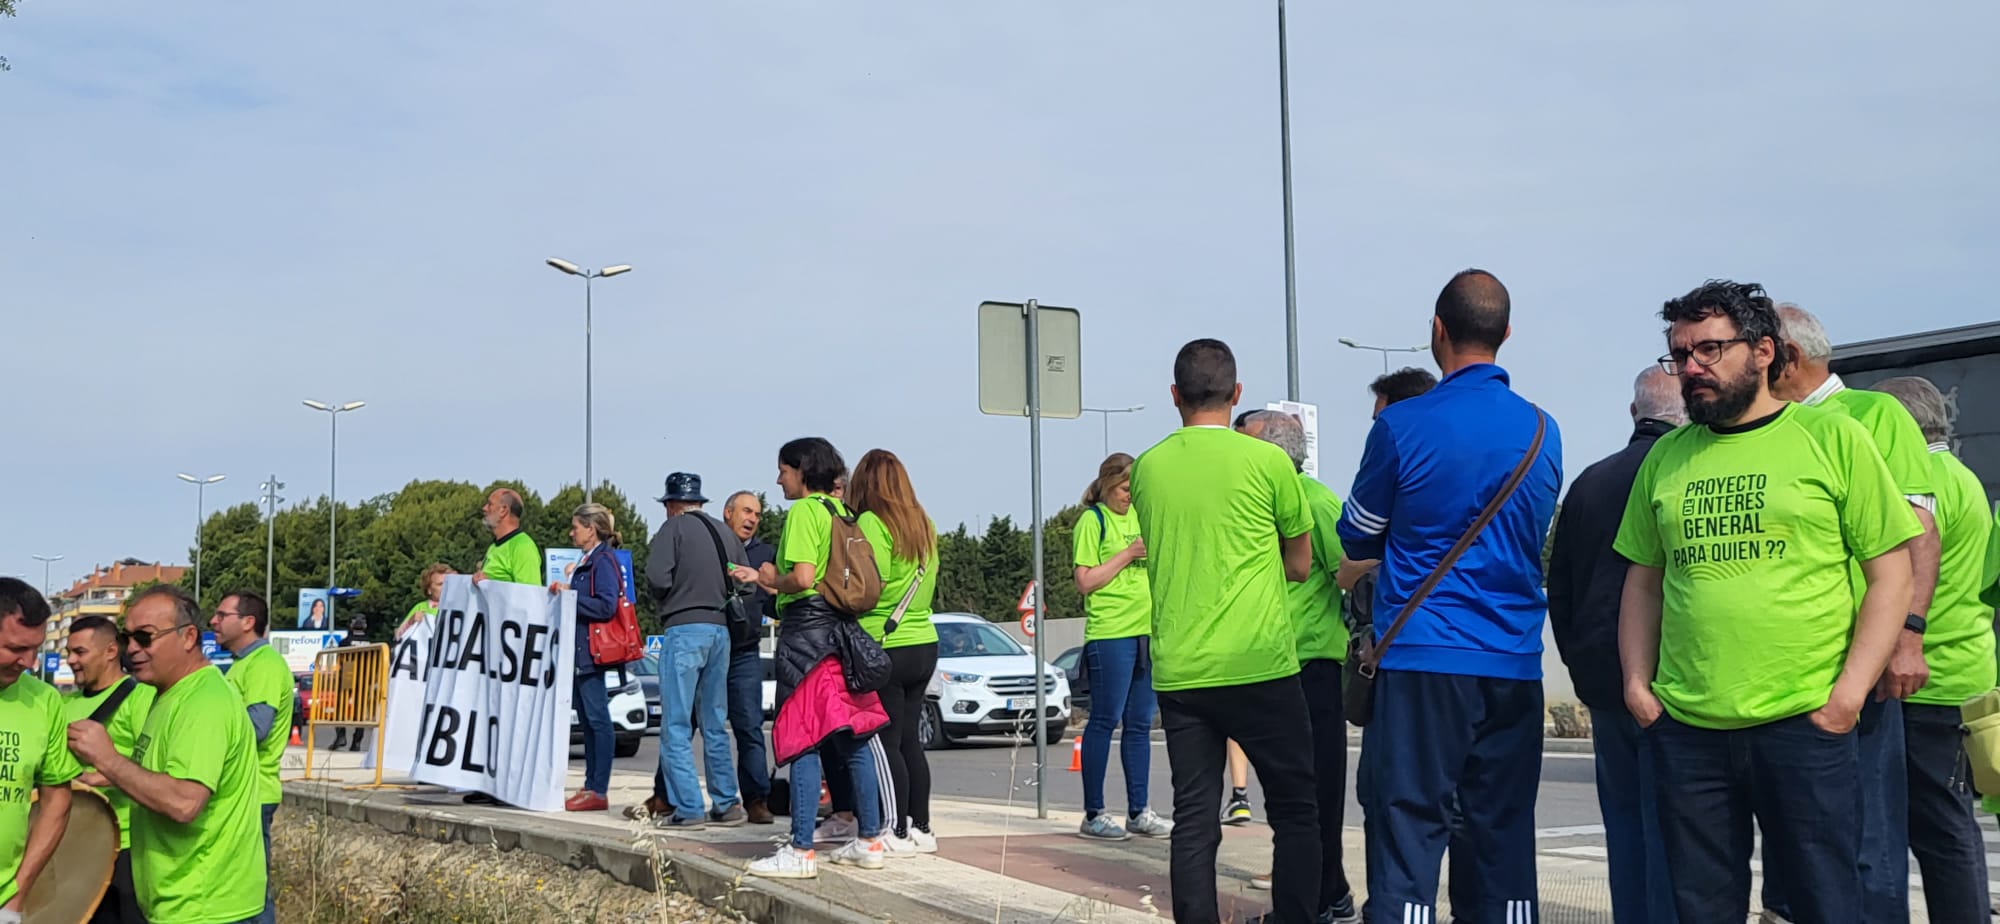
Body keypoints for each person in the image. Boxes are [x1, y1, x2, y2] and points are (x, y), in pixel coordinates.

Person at [1614, 280, 1919, 924]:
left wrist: (1848, 697)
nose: (1692, 367)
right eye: (1680, 354)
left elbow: (1891, 572)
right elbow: (1643, 579)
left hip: (1805, 722)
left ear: (1761, 352)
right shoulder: (1666, 459)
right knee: (1700, 907)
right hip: (1689, 728)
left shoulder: (1832, 440)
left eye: (1709, 350)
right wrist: (1639, 687)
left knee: (1825, 902)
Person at [1336, 269, 1562, 924]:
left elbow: (1357, 532)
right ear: (1506, 334)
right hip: (1514, 660)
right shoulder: (1545, 433)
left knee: (1410, 829)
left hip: (1423, 657)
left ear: (1437, 331)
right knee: (1501, 832)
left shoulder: (1402, 426)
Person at [1761, 304, 1942, 924]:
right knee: (1798, 847)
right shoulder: (1764, 427)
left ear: (1786, 354)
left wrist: (1907, 636)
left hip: (1853, 670)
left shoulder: (1873, 414)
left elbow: (1918, 530)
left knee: (1867, 842)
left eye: (1757, 346)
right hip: (1784, 678)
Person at [1130, 339, 1318, 924]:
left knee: (1193, 817)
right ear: (1236, 394)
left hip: (1182, 671)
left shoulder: (1147, 468)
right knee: (1294, 810)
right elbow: (1300, 564)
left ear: (1173, 396)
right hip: (1261, 664)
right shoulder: (1266, 463)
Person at [1546, 367, 1684, 924]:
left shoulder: (1591, 482)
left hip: (1605, 680)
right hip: (1674, 680)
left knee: (1625, 827)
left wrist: (1581, 664)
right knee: (1678, 830)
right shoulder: (1684, 473)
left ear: (1634, 413)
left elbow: (1562, 586)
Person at [67, 584, 266, 924]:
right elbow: (159, 774)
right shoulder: (166, 694)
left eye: (145, 638)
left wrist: (108, 759)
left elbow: (184, 802)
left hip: (206, 907)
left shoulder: (204, 702)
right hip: (176, 901)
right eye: (128, 638)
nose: (133, 649)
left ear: (189, 637)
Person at [1874, 375, 1996, 920]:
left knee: (1937, 832)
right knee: (1951, 823)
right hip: (1964, 668)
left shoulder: (1919, 485)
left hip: (1922, 680)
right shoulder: (1966, 480)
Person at [748, 437, 891, 879]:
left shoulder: (805, 512)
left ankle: (801, 849)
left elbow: (804, 577)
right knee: (853, 739)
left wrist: (770, 578)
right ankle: (869, 839)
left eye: (784, 471)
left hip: (806, 637)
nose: (778, 479)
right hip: (841, 633)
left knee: (803, 738)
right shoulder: (844, 513)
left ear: (802, 470)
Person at [1246, 410, 1360, 922]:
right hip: (1266, 664)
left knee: (1316, 791)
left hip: (1311, 664)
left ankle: (1324, 898)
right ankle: (1325, 891)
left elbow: (1351, 570)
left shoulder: (1316, 501)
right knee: (1291, 796)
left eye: (1243, 442)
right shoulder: (1253, 505)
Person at [846, 449, 946, 854]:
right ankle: (922, 827)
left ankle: (895, 829)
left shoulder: (872, 522)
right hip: (924, 638)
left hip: (885, 640)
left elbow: (873, 585)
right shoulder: (925, 523)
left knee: (886, 743)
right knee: (911, 740)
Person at [1070, 452, 1171, 842]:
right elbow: (1085, 581)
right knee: (1104, 719)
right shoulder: (1092, 521)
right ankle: (1094, 813)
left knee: (1141, 723)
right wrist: (1127, 554)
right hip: (1111, 632)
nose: (1130, 496)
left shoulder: (1142, 517)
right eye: (1125, 489)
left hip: (1147, 630)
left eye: (1135, 490)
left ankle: (1138, 810)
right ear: (1108, 485)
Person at [645, 472, 748, 828]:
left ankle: (689, 807)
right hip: (720, 633)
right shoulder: (725, 533)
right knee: (715, 723)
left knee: (675, 723)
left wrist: (676, 596)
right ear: (700, 502)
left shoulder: (672, 530)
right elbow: (746, 584)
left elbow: (657, 578)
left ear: (672, 505)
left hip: (683, 629)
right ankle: (727, 803)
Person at [62, 613, 158, 924]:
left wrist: (94, 778)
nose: (71, 660)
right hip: (76, 848)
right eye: (68, 652)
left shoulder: (142, 698)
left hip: (127, 846)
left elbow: (153, 765)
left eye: (80, 652)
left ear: (110, 651)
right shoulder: (65, 705)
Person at [0, 578, 79, 923]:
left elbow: (56, 800)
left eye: (36, 648)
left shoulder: (44, 700)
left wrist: (16, 895)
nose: (29, 662)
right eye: (16, 649)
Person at [214, 591, 293, 921]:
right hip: (239, 794)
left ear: (248, 622)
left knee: (250, 894)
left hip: (253, 794)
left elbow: (257, 727)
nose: (213, 622)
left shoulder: (264, 665)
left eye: (221, 616)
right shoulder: (241, 665)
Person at [552, 503, 626, 813]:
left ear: (590, 529)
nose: (572, 532)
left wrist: (570, 595)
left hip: (592, 655)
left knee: (598, 720)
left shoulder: (603, 561)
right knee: (589, 720)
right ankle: (591, 784)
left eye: (576, 527)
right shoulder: (591, 560)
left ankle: (598, 787)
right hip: (581, 653)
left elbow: (607, 605)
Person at [722, 491, 778, 825]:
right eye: (746, 511)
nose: (752, 518)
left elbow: (778, 602)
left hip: (744, 652)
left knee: (750, 727)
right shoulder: (713, 545)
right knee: (688, 725)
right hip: (711, 648)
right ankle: (667, 796)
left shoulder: (765, 554)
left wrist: (770, 585)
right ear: (728, 512)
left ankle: (757, 800)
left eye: (757, 514)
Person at [475, 488, 543, 586]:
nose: (484, 508)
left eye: (489, 504)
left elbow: (529, 595)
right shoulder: (494, 546)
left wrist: (490, 585)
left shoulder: (523, 547)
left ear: (503, 510)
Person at [396, 563, 452, 641]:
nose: (446, 587)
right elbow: (398, 636)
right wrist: (410, 622)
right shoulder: (421, 607)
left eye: (448, 583)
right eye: (440, 584)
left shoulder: (460, 606)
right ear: (429, 589)